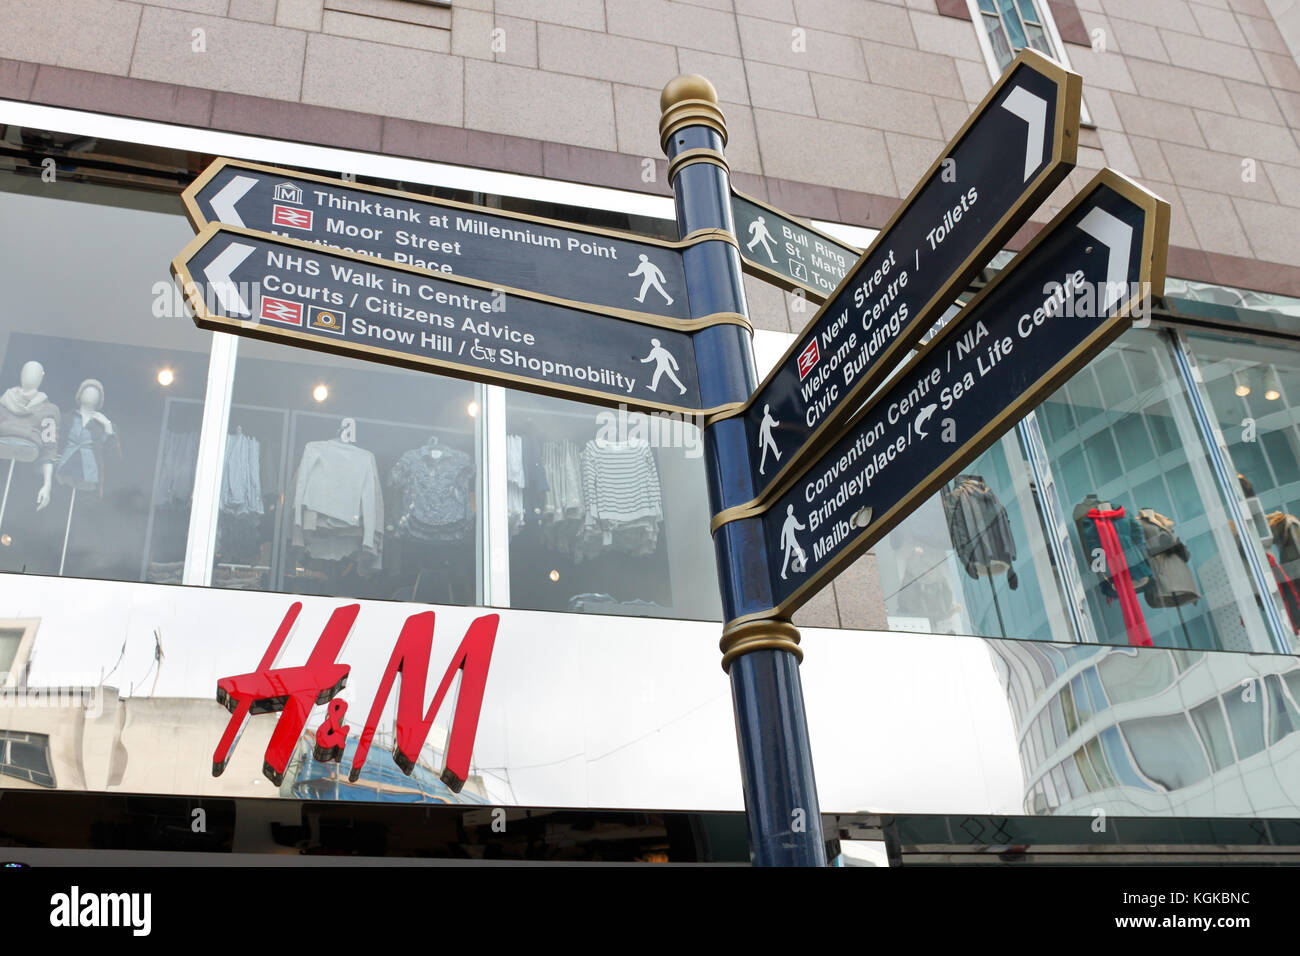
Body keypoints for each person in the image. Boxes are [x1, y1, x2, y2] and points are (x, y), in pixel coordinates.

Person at [780, 504, 807, 580]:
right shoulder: (788, 520)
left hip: (792, 539)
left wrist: (803, 526)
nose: (789, 511)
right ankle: (783, 572)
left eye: (790, 509)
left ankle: (803, 563)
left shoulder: (792, 518)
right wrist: (782, 544)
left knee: (799, 551)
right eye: (789, 510)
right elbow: (783, 532)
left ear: (791, 511)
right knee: (787, 556)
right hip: (789, 540)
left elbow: (797, 526)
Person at [758, 404, 781, 475]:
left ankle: (777, 455)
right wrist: (760, 442)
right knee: (764, 453)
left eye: (766, 409)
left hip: (768, 435)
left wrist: (777, 423)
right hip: (766, 436)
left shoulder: (767, 418)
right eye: (765, 409)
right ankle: (761, 468)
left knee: (772, 446)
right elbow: (761, 431)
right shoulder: (766, 418)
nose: (766, 411)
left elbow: (772, 424)